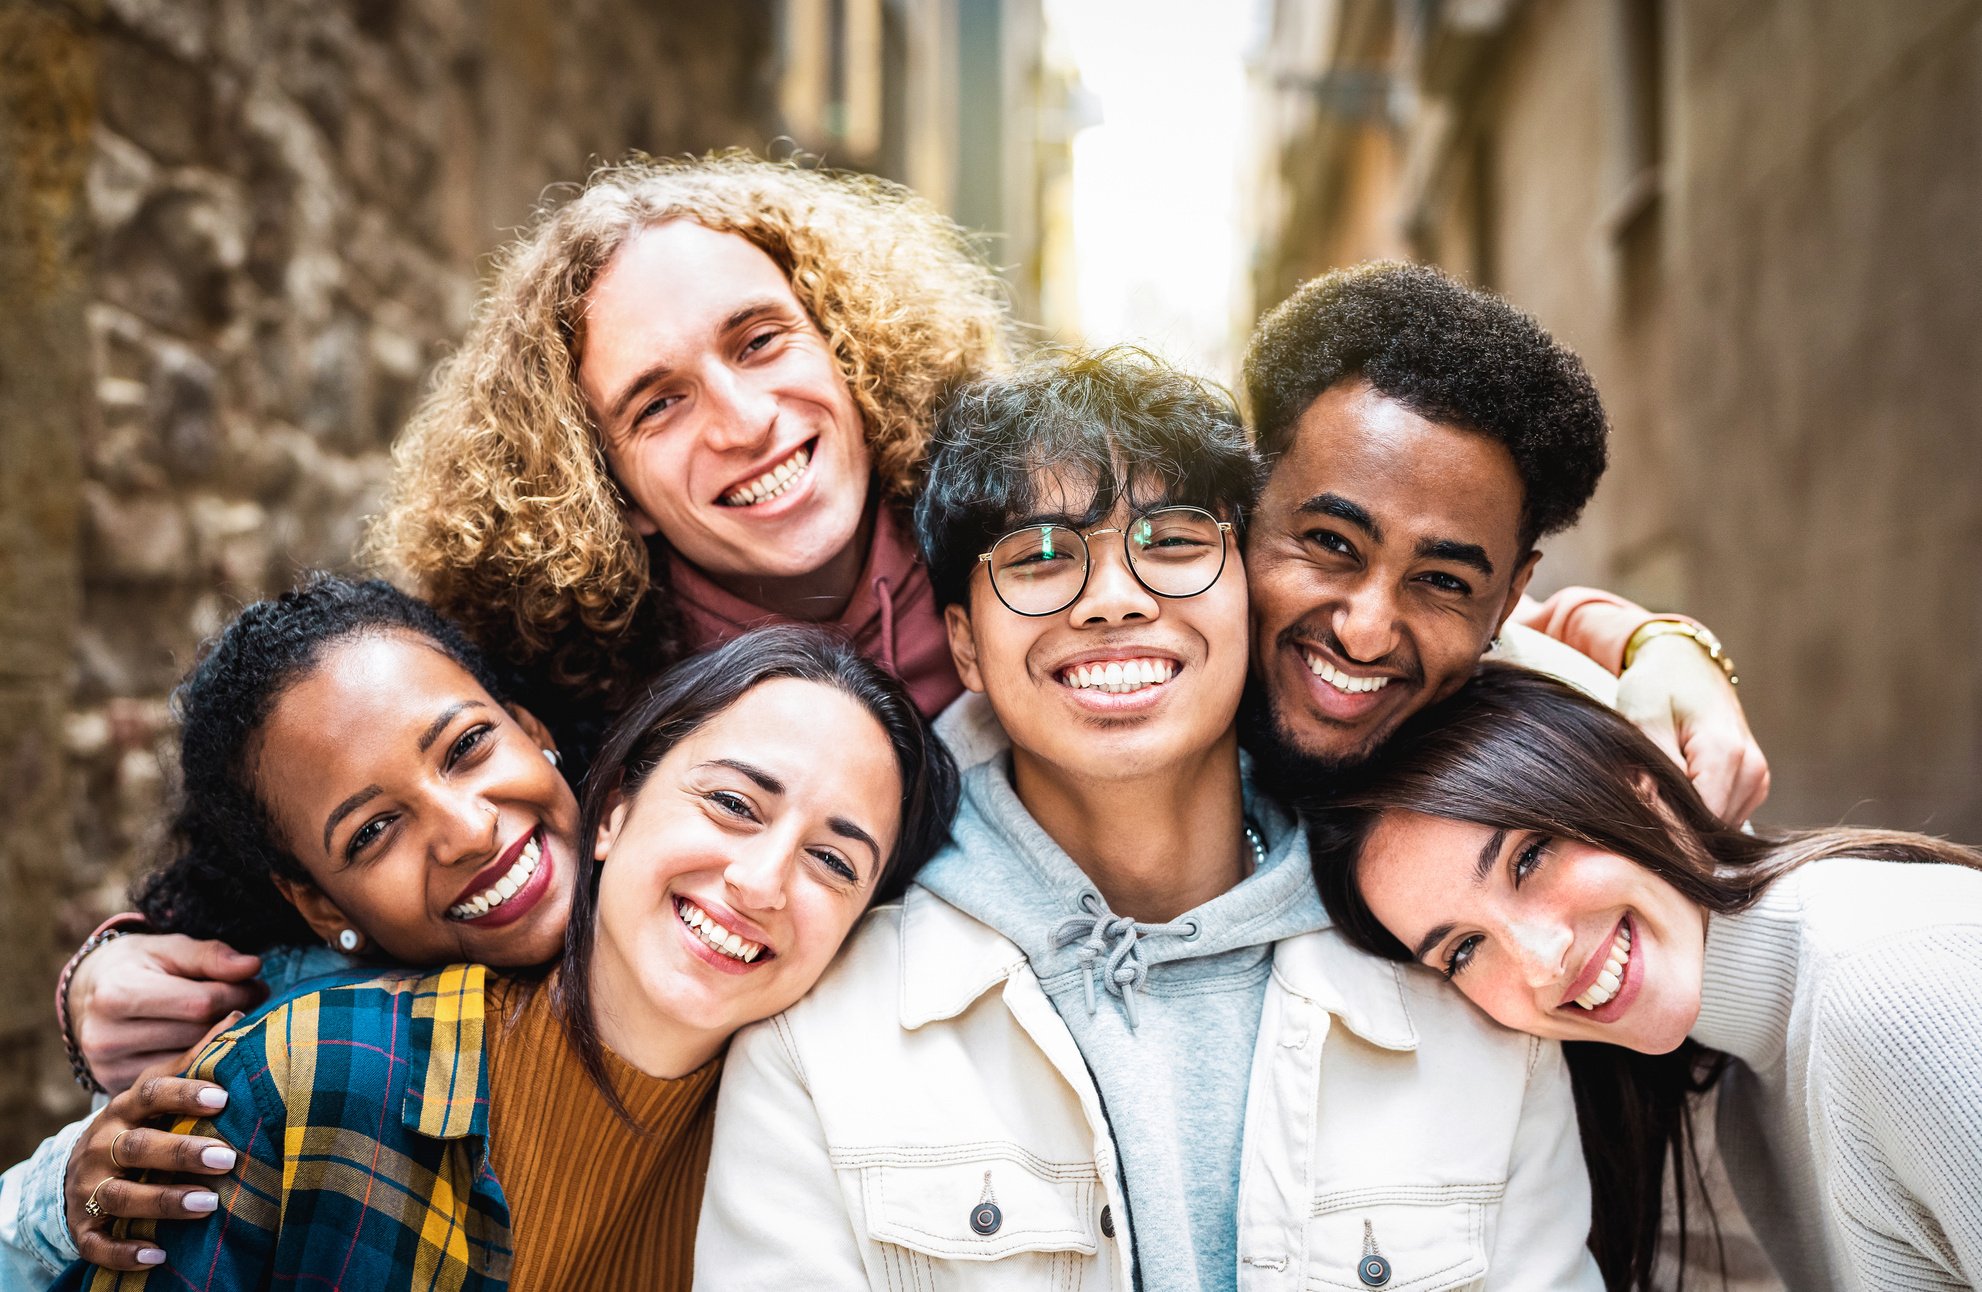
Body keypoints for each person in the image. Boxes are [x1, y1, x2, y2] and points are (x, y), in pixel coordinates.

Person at [696, 347, 1603, 1288]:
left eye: (1171, 542)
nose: (1115, 600)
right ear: (965, 642)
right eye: (1040, 556)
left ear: (1248, 582)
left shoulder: (1467, 991)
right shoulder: (821, 1037)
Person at [51, 618, 955, 1290]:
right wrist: (76, 1199)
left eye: (834, 860)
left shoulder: (824, 1151)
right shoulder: (302, 1070)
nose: (472, 828)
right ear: (617, 810)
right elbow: (104, 1228)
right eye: (731, 803)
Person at [1312, 662, 1982, 1292]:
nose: (1542, 963)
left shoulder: (1891, 991)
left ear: (1641, 785)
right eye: (1462, 951)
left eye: (1529, 858)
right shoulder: (1732, 1080)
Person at [4, 575, 586, 1281]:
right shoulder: (265, 1062)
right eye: (373, 831)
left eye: (466, 747)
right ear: (324, 908)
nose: (468, 831)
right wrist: (61, 1194)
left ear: (534, 731)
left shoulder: (704, 884)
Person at [1240, 261, 1769, 823]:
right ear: (1245, 506)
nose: (1364, 636)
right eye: (1331, 542)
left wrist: (1670, 649)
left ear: (1508, 601)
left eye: (1443, 580)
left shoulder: (1578, 768)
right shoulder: (1161, 630)